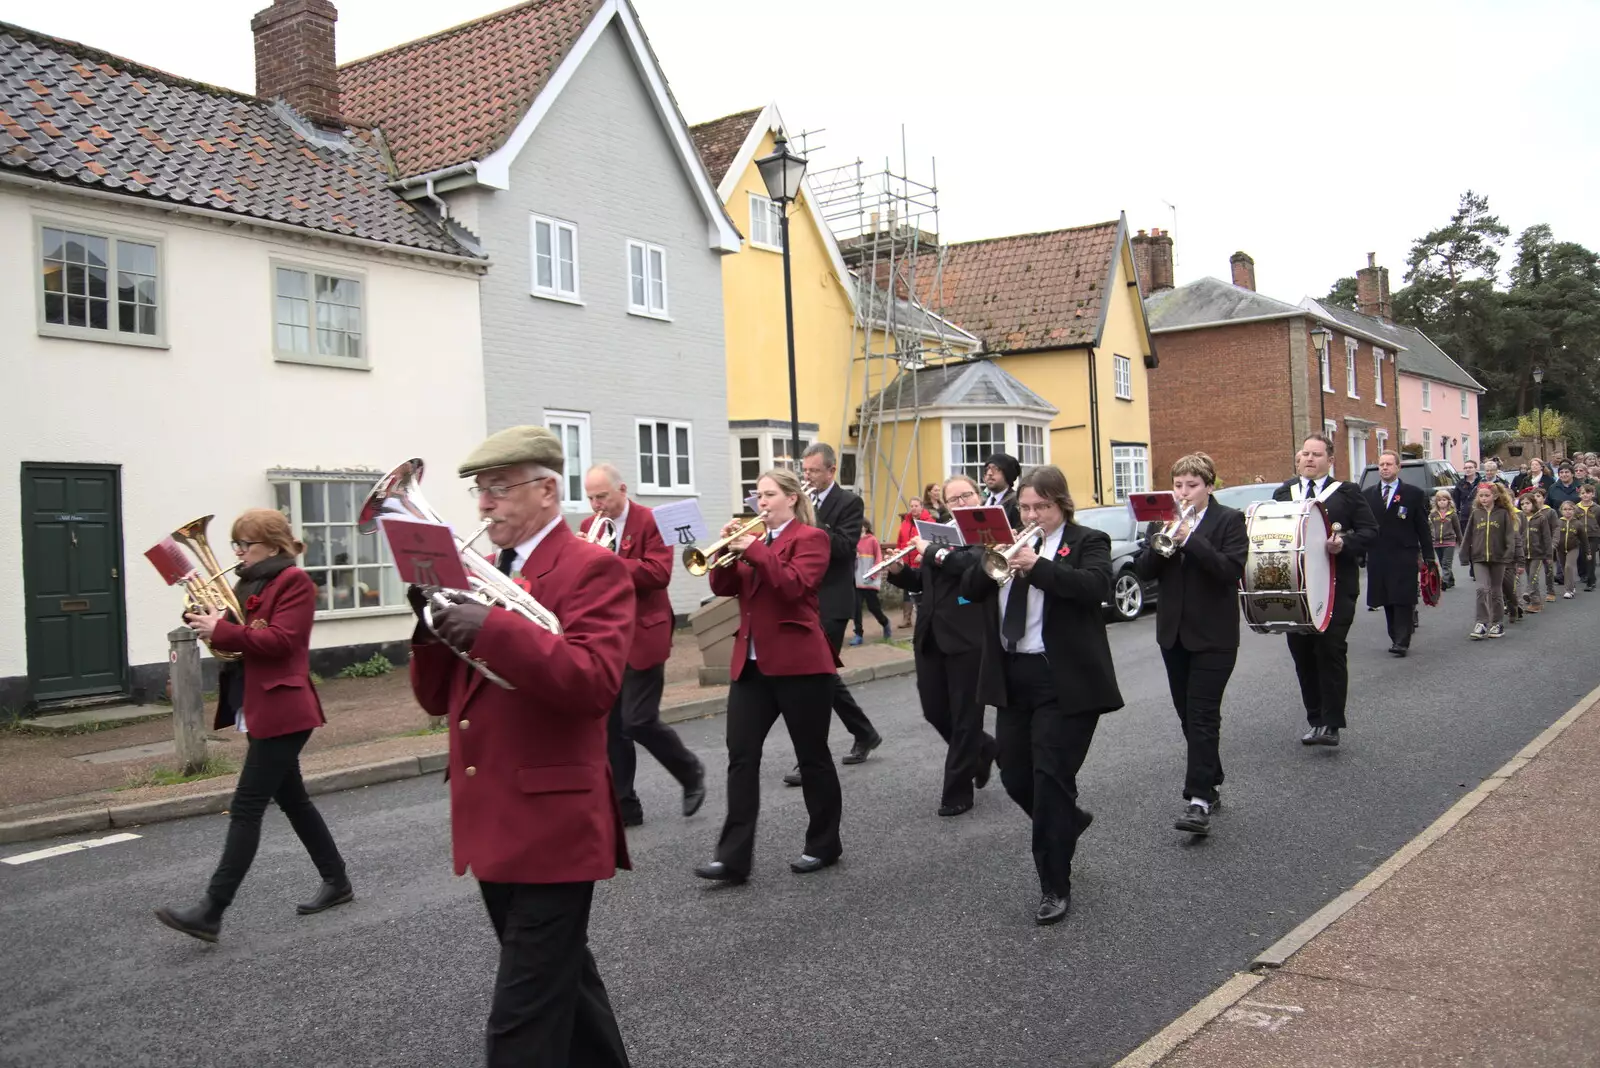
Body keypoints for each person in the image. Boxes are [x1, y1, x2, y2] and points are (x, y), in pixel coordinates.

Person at [409, 426, 634, 1067]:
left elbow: (593, 684)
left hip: (555, 826)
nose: (484, 505)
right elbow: (436, 701)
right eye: (480, 491)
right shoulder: (490, 574)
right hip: (495, 817)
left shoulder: (593, 568)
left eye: (498, 489)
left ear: (545, 491)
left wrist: (494, 627)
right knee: (568, 992)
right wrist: (428, 625)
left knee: (521, 1024)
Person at [155, 509, 351, 943]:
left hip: (286, 706)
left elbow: (281, 642)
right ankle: (337, 881)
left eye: (246, 544)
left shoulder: (294, 582)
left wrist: (222, 630)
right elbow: (240, 638)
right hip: (260, 703)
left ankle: (212, 909)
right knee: (294, 801)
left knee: (245, 807)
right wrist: (207, 621)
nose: (238, 552)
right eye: (236, 545)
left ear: (274, 547)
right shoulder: (249, 584)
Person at [960, 465, 1123, 925]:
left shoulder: (1088, 540)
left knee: (1050, 780)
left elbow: (1094, 588)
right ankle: (1067, 823)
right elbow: (971, 592)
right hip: (1014, 675)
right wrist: (992, 560)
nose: (1032, 515)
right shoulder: (1006, 545)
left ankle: (1054, 884)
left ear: (1061, 505)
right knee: (1015, 776)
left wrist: (1040, 566)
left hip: (1064, 679)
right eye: (1026, 507)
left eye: (1042, 507)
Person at [694, 469, 843, 884]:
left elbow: (794, 586)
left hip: (801, 664)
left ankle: (824, 844)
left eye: (768, 495)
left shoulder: (811, 539)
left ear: (791, 498)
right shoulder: (752, 541)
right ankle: (733, 858)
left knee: (812, 757)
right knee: (741, 757)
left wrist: (755, 550)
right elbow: (725, 586)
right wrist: (727, 553)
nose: (760, 502)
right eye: (757, 495)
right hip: (751, 665)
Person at [582, 463, 705, 830]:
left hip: (645, 633)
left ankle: (689, 769)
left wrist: (607, 561)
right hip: (606, 637)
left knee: (637, 719)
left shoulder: (651, 520)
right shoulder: (589, 529)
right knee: (610, 726)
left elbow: (658, 573)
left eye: (602, 496)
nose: (596, 505)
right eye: (590, 498)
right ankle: (625, 806)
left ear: (622, 489)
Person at [1132, 452, 1247, 836]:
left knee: (1201, 714)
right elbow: (1146, 572)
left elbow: (1229, 571)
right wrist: (1162, 543)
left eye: (1192, 486)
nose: (1183, 492)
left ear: (1209, 487)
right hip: (1173, 634)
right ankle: (1210, 777)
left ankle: (1197, 801)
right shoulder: (1162, 522)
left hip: (1215, 636)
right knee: (1187, 714)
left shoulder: (1228, 520)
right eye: (1178, 485)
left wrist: (1190, 539)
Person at [885, 474, 998, 817]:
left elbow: (971, 565)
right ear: (945, 504)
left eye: (967, 495)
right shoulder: (940, 530)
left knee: (965, 716)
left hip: (969, 635)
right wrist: (899, 571)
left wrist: (932, 552)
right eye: (954, 499)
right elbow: (927, 580)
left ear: (978, 497)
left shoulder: (989, 531)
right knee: (934, 710)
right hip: (932, 633)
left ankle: (957, 792)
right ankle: (985, 748)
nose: (961, 502)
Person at [786, 443, 882, 787]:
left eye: (813, 471)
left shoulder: (848, 502)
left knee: (815, 679)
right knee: (823, 675)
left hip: (832, 599)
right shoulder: (799, 501)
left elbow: (843, 548)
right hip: (802, 597)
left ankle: (809, 758)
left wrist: (811, 520)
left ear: (831, 470)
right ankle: (864, 731)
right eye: (805, 471)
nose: (807, 477)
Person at [1272, 434, 1378, 745]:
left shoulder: (1347, 493)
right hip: (1296, 589)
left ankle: (1332, 723)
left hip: (1336, 585)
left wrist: (1344, 543)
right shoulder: (1283, 493)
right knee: (1302, 654)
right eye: (1304, 453)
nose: (1308, 459)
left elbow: (1371, 531)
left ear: (1330, 460)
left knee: (1330, 649)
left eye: (1316, 454)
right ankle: (1315, 719)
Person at [1363, 450, 1435, 657]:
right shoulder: (1368, 495)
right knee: (1386, 598)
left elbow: (1422, 528)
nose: (1384, 468)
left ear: (1398, 467)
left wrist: (1429, 557)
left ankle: (1402, 640)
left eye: (1388, 464)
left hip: (1404, 554)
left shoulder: (1413, 494)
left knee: (1402, 597)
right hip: (1379, 555)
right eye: (1381, 464)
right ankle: (1395, 635)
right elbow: (1363, 527)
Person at [1459, 480, 1514, 639]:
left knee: (1496, 591)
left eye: (1486, 495)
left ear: (1495, 496)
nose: (1483, 499)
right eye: (1481, 496)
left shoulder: (1503, 514)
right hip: (1479, 557)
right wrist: (1464, 555)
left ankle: (1497, 623)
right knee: (1481, 589)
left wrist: (1509, 554)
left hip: (1498, 557)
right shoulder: (1476, 513)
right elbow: (1468, 535)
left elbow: (1509, 536)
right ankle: (1481, 622)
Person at [852, 519, 892, 645]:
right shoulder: (853, 541)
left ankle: (885, 623)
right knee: (856, 608)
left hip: (869, 580)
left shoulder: (872, 540)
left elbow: (879, 558)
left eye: (862, 525)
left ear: (866, 526)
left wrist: (873, 575)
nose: (860, 528)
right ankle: (858, 634)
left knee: (873, 607)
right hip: (857, 580)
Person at [895, 496, 932, 628]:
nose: (914, 508)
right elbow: (900, 542)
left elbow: (932, 542)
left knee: (921, 591)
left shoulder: (929, 522)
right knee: (906, 590)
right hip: (907, 561)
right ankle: (907, 618)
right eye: (912, 506)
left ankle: (924, 618)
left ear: (922, 507)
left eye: (916, 506)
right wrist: (898, 554)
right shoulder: (905, 523)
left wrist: (924, 555)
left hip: (921, 561)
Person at [1547, 463, 1584, 585]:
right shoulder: (1553, 487)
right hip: (1559, 523)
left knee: (1576, 547)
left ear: (1572, 474)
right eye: (1561, 472)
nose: (1564, 475)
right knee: (1560, 547)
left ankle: (1582, 573)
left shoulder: (1580, 486)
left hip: (1577, 522)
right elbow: (1549, 505)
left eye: (1567, 472)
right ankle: (1561, 575)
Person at [1529, 487, 1558, 604]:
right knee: (1532, 572)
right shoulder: (1529, 512)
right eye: (1534, 496)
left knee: (1548, 569)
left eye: (1538, 496)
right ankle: (1533, 594)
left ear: (1544, 498)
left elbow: (1556, 528)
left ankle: (1550, 591)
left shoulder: (1550, 512)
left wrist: (1553, 543)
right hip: (1534, 545)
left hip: (1547, 544)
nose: (1536, 499)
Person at [981, 452, 1023, 528]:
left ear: (1007, 474)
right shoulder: (982, 502)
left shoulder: (1017, 502)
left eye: (996, 469)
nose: (989, 473)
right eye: (987, 469)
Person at [1555, 501, 1586, 600]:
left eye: (1570, 509)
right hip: (1560, 549)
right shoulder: (1558, 522)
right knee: (1564, 568)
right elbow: (1553, 536)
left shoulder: (1578, 523)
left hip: (1573, 548)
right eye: (1565, 509)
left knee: (1569, 566)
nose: (1567, 511)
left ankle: (1568, 590)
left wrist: (1588, 551)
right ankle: (1572, 586)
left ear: (1574, 510)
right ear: (1561, 511)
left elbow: (1584, 538)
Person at [1430, 490, 1461, 591]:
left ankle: (1444, 581)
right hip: (1437, 542)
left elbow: (1457, 529)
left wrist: (1461, 542)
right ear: (1436, 502)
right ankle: (1450, 579)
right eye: (1439, 500)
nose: (1442, 502)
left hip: (1449, 541)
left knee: (1446, 563)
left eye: (1444, 500)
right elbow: (1429, 527)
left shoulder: (1453, 514)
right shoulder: (1433, 515)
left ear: (1449, 501)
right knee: (1442, 561)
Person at [1579, 483, 1600, 592]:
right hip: (1580, 537)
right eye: (1583, 493)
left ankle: (1591, 582)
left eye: (1588, 493)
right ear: (1579, 495)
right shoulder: (1576, 508)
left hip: (1593, 536)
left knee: (1590, 557)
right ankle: (1584, 575)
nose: (1585, 495)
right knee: (1582, 558)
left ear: (1592, 494)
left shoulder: (1597, 508)